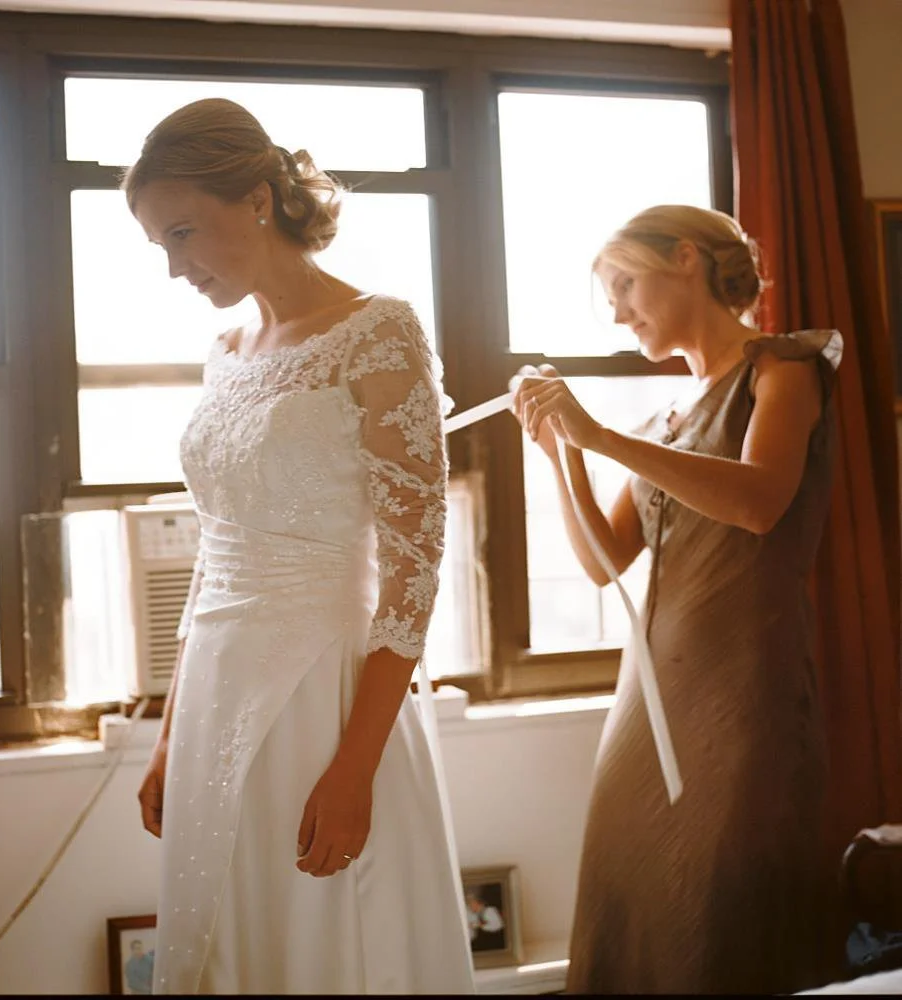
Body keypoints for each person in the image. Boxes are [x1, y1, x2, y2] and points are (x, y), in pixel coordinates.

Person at [126, 97, 475, 995]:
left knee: (324, 935)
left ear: (254, 198)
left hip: (328, 689)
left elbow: (413, 567)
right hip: (214, 684)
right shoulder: (228, 349)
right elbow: (216, 550)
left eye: (182, 234)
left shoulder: (379, 330)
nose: (173, 268)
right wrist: (169, 732)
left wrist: (355, 766)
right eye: (159, 248)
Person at [510, 204, 842, 995]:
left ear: (686, 259)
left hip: (744, 684)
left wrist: (600, 439)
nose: (620, 313)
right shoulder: (668, 416)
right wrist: (563, 454)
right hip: (653, 690)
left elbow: (761, 503)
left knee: (723, 900)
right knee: (637, 887)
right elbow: (603, 561)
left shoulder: (782, 368)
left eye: (625, 285)